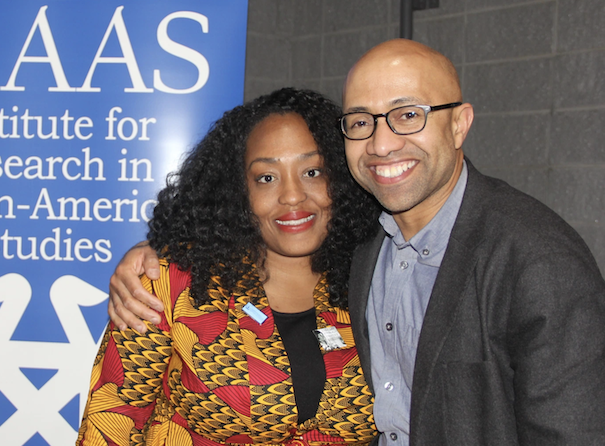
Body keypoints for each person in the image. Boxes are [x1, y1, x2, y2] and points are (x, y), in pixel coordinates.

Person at [108, 39, 605, 446]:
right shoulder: (370, 255)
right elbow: (111, 425)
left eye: (408, 114)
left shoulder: (534, 259)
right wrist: (150, 254)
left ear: (459, 123)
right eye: (363, 122)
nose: (383, 143)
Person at [77, 88, 381, 446]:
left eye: (312, 171)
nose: (293, 196)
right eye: (266, 178)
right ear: (238, 191)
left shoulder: (375, 279)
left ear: (341, 179)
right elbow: (111, 422)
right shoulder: (171, 283)